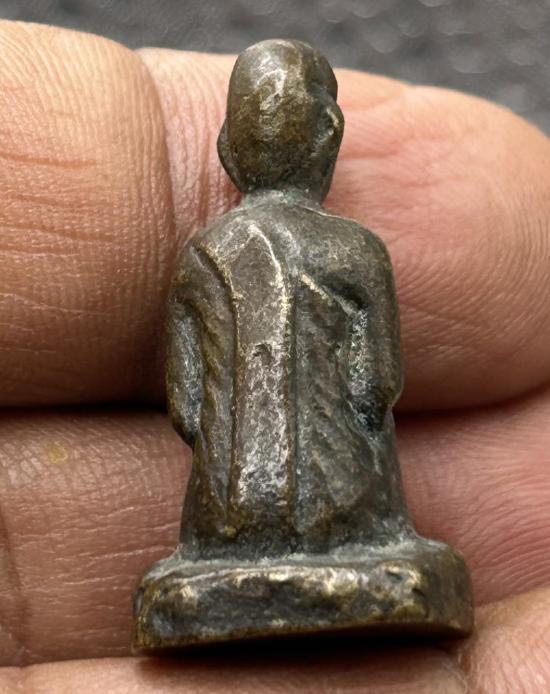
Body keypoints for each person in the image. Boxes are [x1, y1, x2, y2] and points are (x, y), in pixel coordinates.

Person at [0, 19, 549, 693]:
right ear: (329, 138)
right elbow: (377, 383)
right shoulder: (354, 250)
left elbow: (187, 408)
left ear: (228, 149)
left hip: (224, 516)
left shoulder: (205, 255)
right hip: (350, 505)